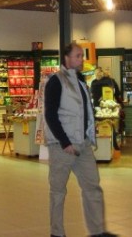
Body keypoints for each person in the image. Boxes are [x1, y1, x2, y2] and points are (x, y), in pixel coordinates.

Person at [44, 43, 116, 237]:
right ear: (66, 58)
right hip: (62, 147)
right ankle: (57, 233)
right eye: (77, 56)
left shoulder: (81, 80)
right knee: (58, 191)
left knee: (93, 186)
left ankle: (98, 231)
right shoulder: (55, 81)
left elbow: (85, 113)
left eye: (81, 56)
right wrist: (64, 142)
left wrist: (88, 136)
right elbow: (50, 115)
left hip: (83, 144)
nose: (81, 59)